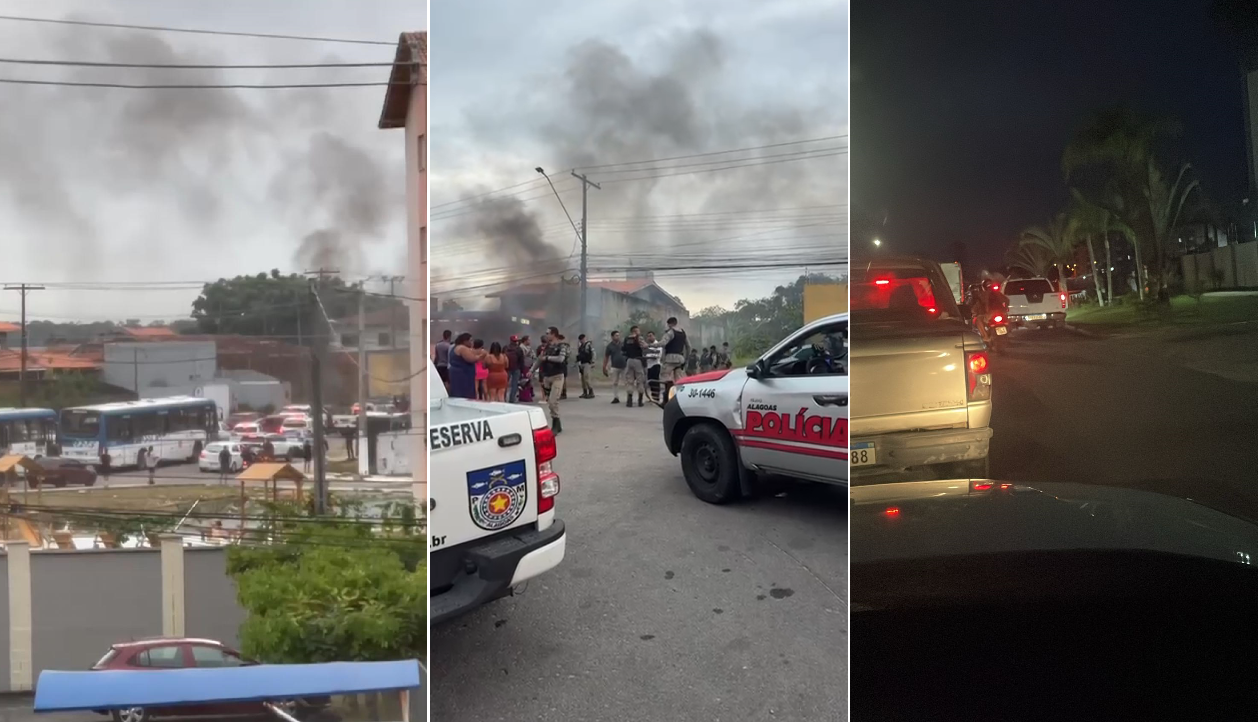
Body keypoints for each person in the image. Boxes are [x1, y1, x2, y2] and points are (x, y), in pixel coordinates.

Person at [539, 327, 570, 432]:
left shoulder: (562, 346)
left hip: (557, 376)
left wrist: (548, 358)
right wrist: (531, 371)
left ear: (554, 334)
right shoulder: (546, 347)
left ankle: (555, 424)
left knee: (553, 401)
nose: (546, 335)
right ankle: (557, 423)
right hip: (547, 377)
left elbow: (561, 359)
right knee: (550, 402)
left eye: (548, 333)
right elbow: (539, 359)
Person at [448, 332, 486, 400]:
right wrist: (481, 356)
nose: (472, 342)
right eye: (470, 340)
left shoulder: (456, 347)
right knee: (463, 394)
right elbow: (471, 359)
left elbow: (473, 352)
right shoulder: (462, 348)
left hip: (460, 373)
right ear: (465, 341)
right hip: (462, 375)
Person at [658, 317, 690, 394]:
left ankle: (667, 395)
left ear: (670, 324)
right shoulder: (683, 332)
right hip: (680, 359)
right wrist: (686, 359)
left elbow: (663, 343)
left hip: (670, 358)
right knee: (679, 379)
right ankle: (681, 395)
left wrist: (649, 345)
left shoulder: (670, 332)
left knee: (665, 376)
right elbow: (688, 346)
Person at [621, 325, 647, 408]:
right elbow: (644, 347)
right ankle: (640, 401)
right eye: (638, 330)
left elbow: (623, 349)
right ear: (635, 331)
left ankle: (629, 401)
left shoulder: (626, 339)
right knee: (640, 379)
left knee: (630, 380)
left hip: (629, 360)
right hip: (638, 360)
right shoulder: (639, 338)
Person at [603, 330, 627, 404]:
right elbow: (606, 357)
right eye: (616, 335)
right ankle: (616, 397)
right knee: (614, 383)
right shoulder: (609, 346)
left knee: (627, 382)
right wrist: (604, 367)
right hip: (615, 366)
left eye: (618, 335)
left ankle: (629, 397)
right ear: (612, 337)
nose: (618, 337)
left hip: (624, 365)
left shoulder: (623, 344)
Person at [644, 331, 663, 403]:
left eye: (651, 336)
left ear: (654, 336)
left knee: (655, 382)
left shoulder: (657, 345)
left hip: (655, 365)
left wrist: (650, 355)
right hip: (649, 366)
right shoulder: (647, 346)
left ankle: (656, 397)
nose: (649, 337)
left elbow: (657, 355)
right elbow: (645, 354)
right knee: (650, 382)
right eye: (648, 336)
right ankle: (652, 397)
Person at [576, 333, 595, 399]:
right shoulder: (581, 347)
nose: (582, 340)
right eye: (580, 340)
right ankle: (585, 392)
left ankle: (591, 392)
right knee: (582, 379)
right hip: (582, 363)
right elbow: (579, 355)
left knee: (587, 378)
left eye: (582, 339)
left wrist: (593, 362)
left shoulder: (588, 345)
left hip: (587, 363)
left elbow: (593, 353)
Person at [506, 336, 525, 403]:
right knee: (514, 384)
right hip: (516, 368)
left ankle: (503, 397)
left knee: (505, 384)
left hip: (507, 368)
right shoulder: (519, 349)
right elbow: (521, 361)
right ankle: (512, 399)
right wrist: (522, 370)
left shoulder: (506, 348)